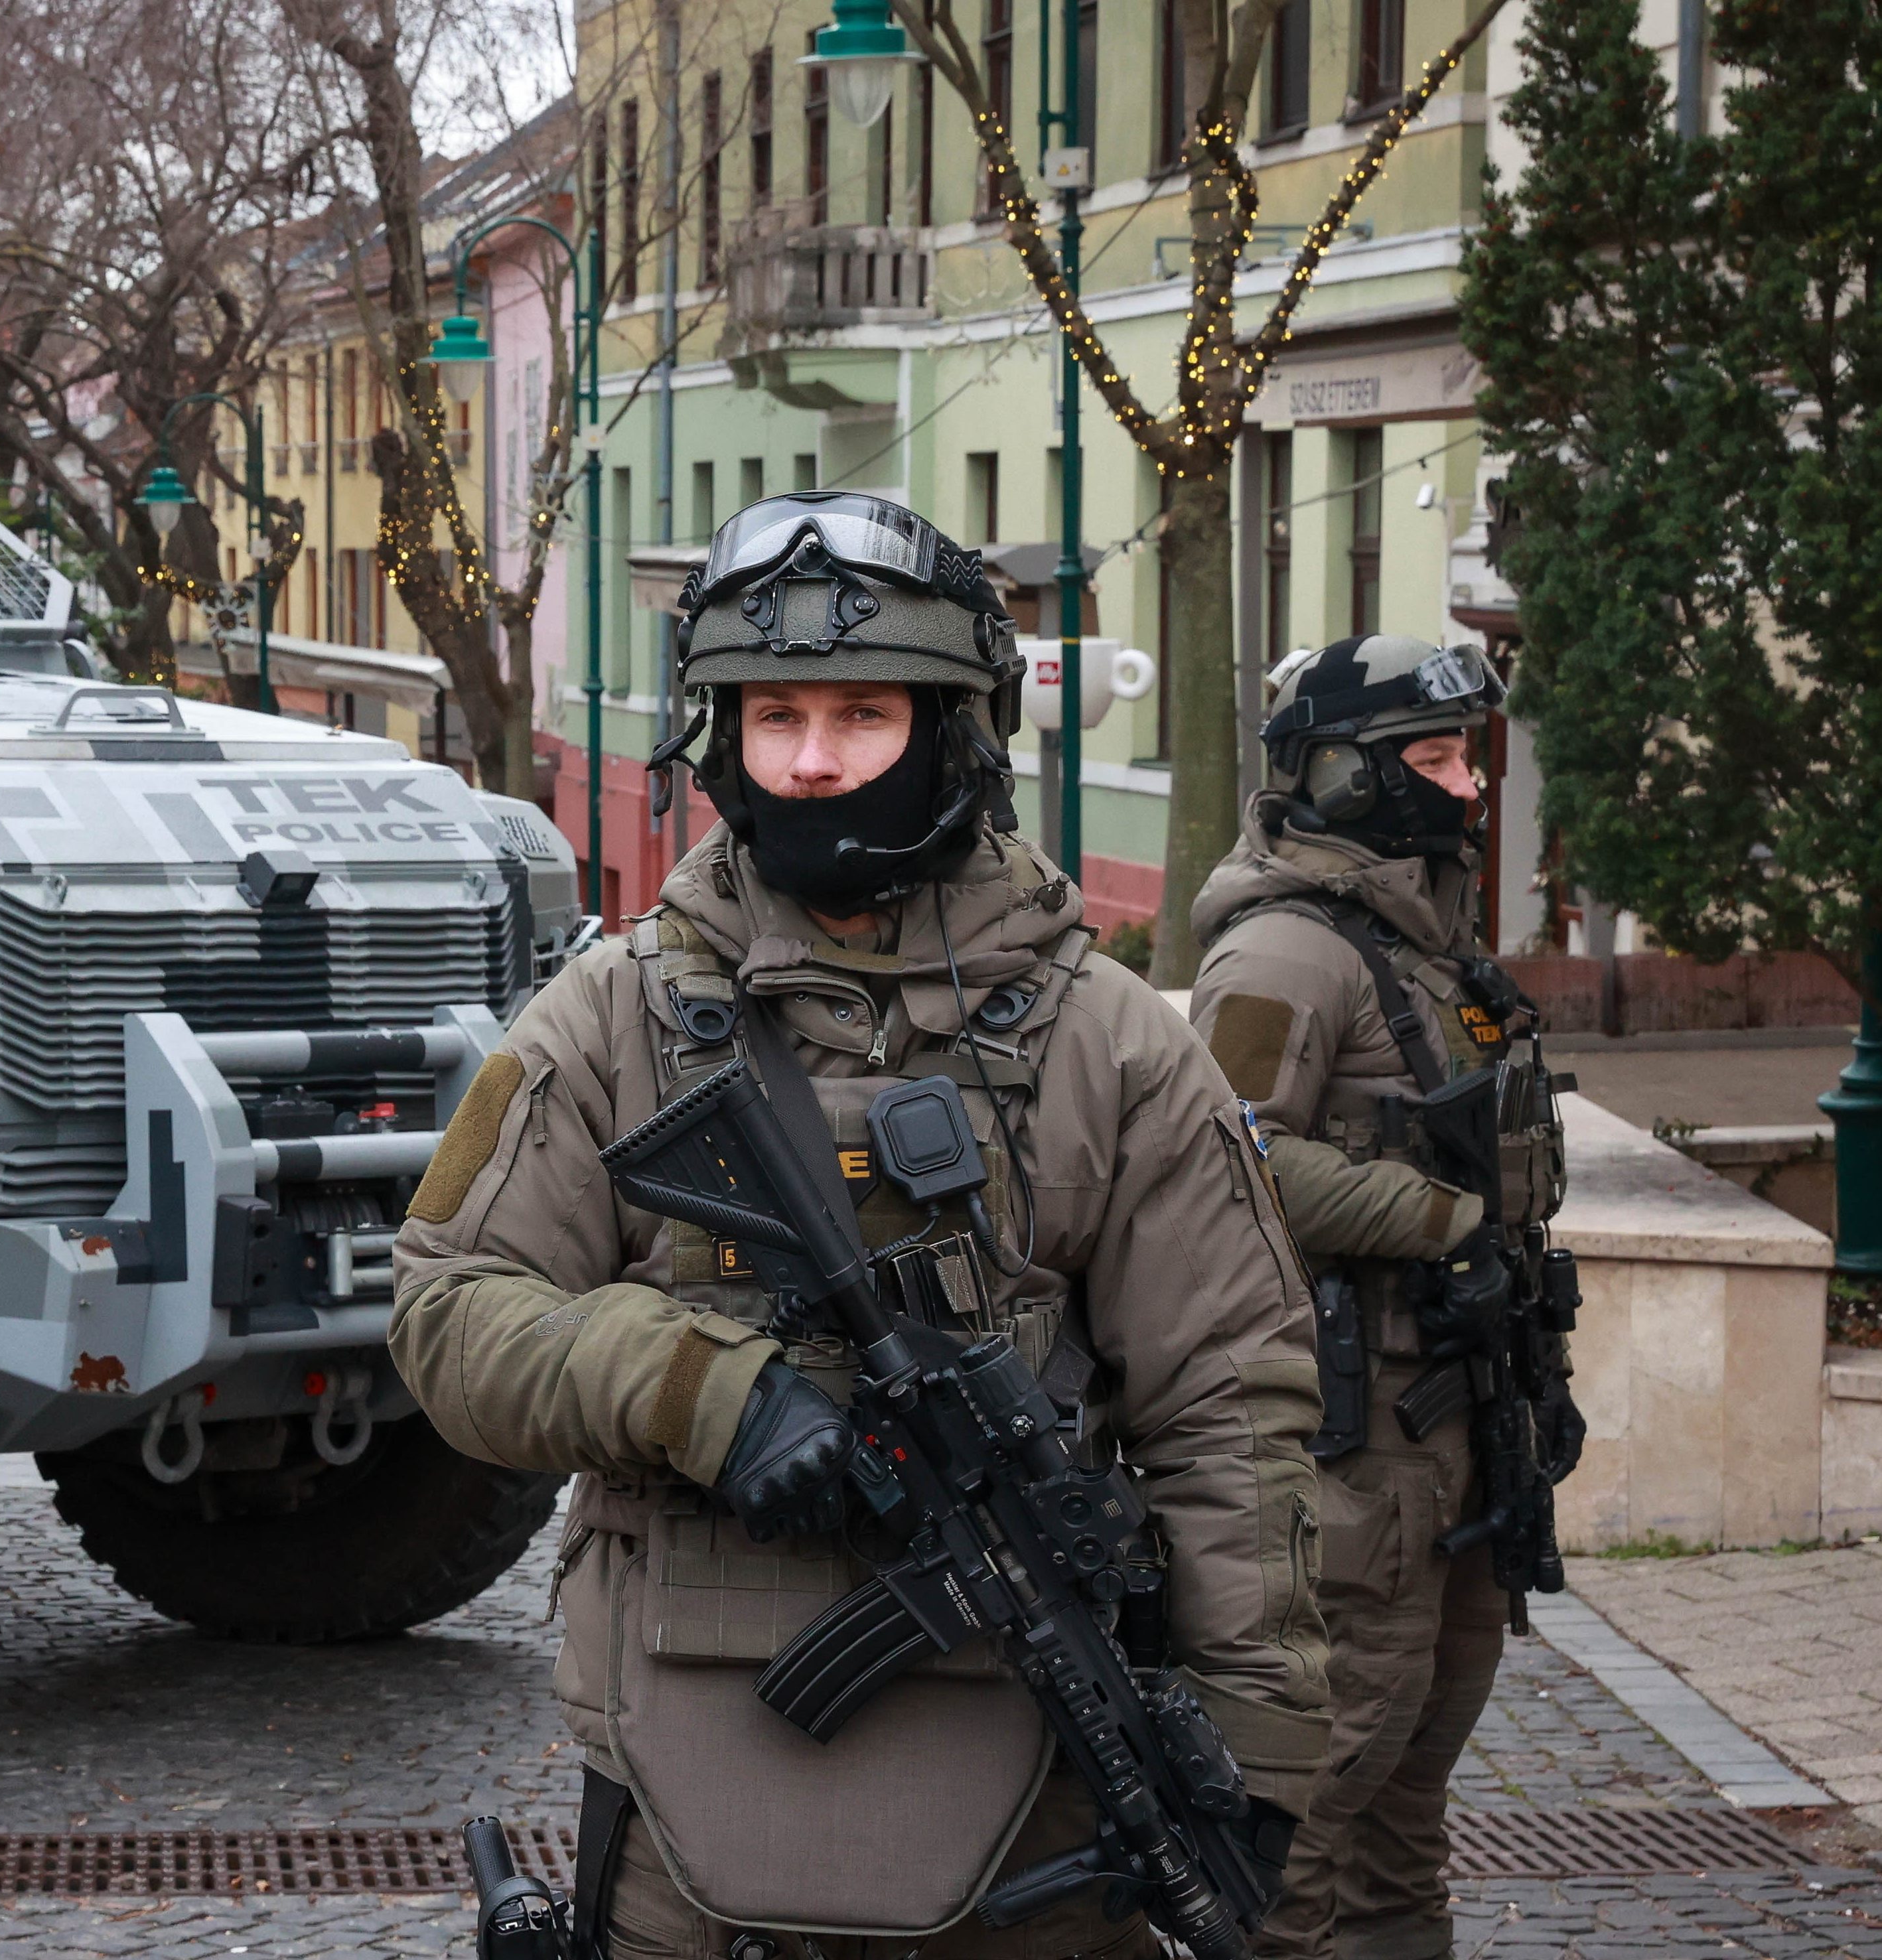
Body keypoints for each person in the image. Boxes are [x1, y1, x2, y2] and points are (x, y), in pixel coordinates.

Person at [392, 490, 1330, 1960]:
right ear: (721, 740)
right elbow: (448, 1313)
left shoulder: (1107, 1041)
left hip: (1034, 1797)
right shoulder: (610, 1015)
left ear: (953, 732)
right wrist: (699, 1390)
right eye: (774, 719)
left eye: (861, 716)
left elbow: (1234, 1407)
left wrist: (1258, 1746)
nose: (813, 763)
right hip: (684, 1806)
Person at [1186, 634, 1571, 1960]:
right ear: (1344, 773)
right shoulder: (1286, 954)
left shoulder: (1422, 942)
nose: (1468, 785)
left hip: (1459, 1420)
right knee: (1318, 1797)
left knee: (1409, 1799)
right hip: (1354, 1447)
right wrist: (1435, 1220)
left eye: (1470, 756)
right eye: (1437, 756)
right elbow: (1226, 1160)